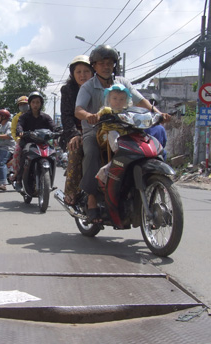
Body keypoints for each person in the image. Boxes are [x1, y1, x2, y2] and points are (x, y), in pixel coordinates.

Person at [75, 44, 168, 223]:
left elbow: (140, 100)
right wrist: (90, 116)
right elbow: (78, 110)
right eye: (101, 63)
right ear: (94, 66)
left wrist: (158, 112)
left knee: (149, 141)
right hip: (97, 130)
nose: (106, 66)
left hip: (125, 128)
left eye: (109, 62)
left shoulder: (123, 83)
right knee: (92, 151)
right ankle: (92, 199)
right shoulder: (87, 87)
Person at [60, 55, 93, 205]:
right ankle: (71, 193)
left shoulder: (99, 87)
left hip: (101, 130)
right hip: (77, 132)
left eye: (86, 71)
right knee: (75, 149)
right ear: (73, 73)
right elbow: (66, 116)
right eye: (78, 71)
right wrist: (74, 134)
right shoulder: (68, 90)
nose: (82, 75)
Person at [14, 91, 55, 190]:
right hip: (28, 143)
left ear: (41, 104)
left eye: (38, 102)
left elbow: (53, 126)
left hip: (43, 143)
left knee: (53, 154)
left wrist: (58, 131)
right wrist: (20, 132)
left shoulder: (46, 117)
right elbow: (19, 125)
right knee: (20, 153)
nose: (35, 105)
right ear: (30, 104)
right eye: (33, 102)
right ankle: (18, 180)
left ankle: (50, 180)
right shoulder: (24, 117)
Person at [10, 95, 29, 180]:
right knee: (16, 153)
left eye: (24, 104)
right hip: (22, 140)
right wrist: (17, 139)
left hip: (36, 139)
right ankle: (16, 173)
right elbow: (13, 131)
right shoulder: (16, 117)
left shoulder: (34, 114)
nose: (22, 106)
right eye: (20, 104)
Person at [144, 94, 168, 160]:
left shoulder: (142, 127)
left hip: (147, 154)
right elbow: (164, 142)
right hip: (156, 154)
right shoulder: (161, 128)